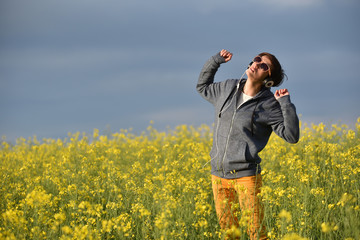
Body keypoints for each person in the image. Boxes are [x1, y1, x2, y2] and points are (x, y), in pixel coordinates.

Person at [196, 49, 299, 240]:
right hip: (218, 175)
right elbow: (202, 86)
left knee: (257, 234)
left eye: (264, 65)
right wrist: (215, 61)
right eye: (257, 59)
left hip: (247, 177)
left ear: (269, 80)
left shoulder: (270, 105)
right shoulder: (227, 88)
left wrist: (285, 104)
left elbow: (291, 136)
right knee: (230, 235)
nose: (257, 63)